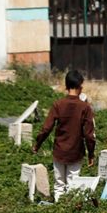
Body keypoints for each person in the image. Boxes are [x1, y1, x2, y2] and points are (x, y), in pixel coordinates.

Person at [34, 70, 96, 199]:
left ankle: (58, 209)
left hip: (59, 151)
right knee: (73, 185)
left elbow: (46, 128)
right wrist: (91, 154)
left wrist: (37, 144)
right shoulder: (85, 107)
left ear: (66, 86)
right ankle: (70, 212)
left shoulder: (58, 104)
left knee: (59, 184)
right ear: (80, 86)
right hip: (76, 152)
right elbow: (89, 135)